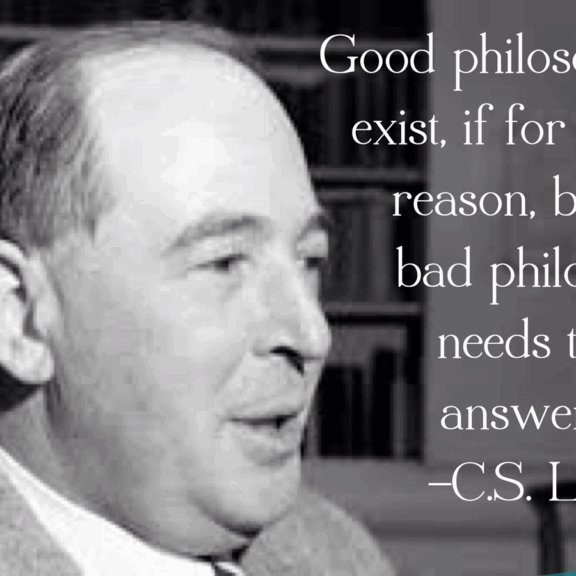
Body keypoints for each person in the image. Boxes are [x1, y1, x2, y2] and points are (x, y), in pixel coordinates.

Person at [0, 20, 394, 575]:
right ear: (19, 315)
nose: (313, 335)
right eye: (225, 263)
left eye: (310, 260)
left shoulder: (335, 552)